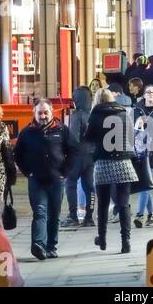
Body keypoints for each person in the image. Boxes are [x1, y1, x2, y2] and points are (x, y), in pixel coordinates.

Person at [14, 98, 79, 260]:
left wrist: (65, 171)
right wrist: (27, 171)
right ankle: (38, 244)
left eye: (46, 113)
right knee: (40, 212)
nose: (43, 116)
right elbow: (17, 154)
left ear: (52, 112)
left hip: (57, 180)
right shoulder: (26, 132)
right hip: (36, 180)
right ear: (33, 113)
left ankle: (51, 246)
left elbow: (74, 151)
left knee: (54, 214)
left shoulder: (62, 130)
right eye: (39, 113)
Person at [85, 89, 138, 253]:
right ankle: (126, 241)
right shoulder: (124, 113)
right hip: (123, 162)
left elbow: (88, 138)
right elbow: (131, 137)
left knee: (103, 204)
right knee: (123, 204)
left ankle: (102, 239)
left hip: (103, 163)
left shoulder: (95, 114)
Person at [61, 87, 96, 228]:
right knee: (89, 186)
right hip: (91, 156)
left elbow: (74, 138)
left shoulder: (77, 115)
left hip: (77, 156)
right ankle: (89, 218)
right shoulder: (93, 115)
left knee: (70, 184)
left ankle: (73, 216)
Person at [132, 85, 153, 228]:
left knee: (145, 183)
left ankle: (139, 214)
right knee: (146, 183)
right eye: (148, 92)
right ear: (143, 95)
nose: (151, 94)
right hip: (139, 152)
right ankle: (151, 214)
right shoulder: (136, 109)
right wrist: (136, 124)